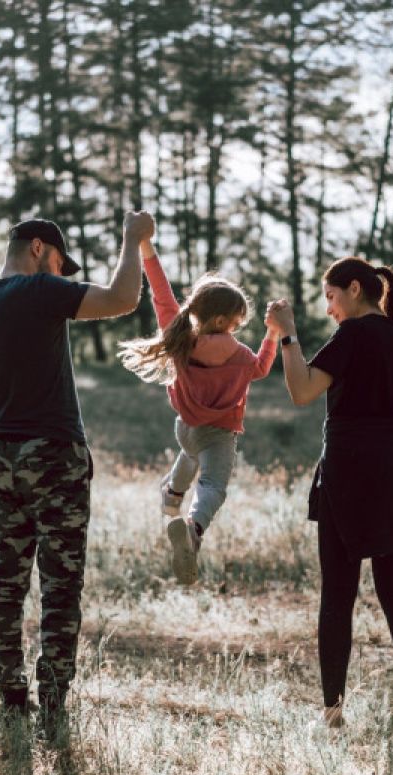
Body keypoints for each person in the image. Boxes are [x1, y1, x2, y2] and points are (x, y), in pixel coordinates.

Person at [0, 212, 156, 736]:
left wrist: (7, 432)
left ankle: (11, 690)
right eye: (60, 265)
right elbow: (122, 298)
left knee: (6, 580)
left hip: (2, 455)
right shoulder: (40, 291)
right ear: (39, 249)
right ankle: (52, 699)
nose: (63, 276)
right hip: (55, 455)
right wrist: (133, 238)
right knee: (60, 582)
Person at [265, 257, 393, 728]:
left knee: (338, 594)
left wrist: (288, 334)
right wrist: (390, 460)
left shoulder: (352, 336)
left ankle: (333, 714)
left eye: (332, 298)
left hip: (348, 476)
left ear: (354, 289)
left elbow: (301, 391)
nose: (331, 310)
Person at [118, 240, 277, 585]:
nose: (236, 329)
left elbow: (161, 293)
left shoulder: (180, 340)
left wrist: (146, 247)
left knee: (189, 453)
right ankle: (193, 528)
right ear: (221, 320)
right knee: (212, 486)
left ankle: (172, 493)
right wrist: (274, 333)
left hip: (185, 429)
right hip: (218, 435)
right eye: (235, 323)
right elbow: (263, 368)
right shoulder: (240, 356)